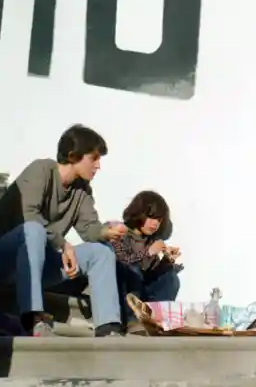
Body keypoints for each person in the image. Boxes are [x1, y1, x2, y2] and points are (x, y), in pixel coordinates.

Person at [0, 124, 126, 337]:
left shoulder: (82, 189)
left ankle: (108, 328)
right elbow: (28, 214)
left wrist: (106, 231)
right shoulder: (41, 170)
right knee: (33, 230)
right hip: (7, 259)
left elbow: (89, 229)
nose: (98, 166)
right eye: (94, 158)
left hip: (38, 265)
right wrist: (63, 244)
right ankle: (33, 317)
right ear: (73, 155)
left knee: (101, 252)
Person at [111, 190, 180, 329]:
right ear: (139, 213)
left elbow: (151, 275)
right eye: (151, 217)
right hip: (124, 295)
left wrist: (166, 261)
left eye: (159, 220)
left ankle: (158, 320)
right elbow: (122, 262)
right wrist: (148, 252)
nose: (155, 224)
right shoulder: (121, 233)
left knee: (170, 277)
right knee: (132, 270)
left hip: (143, 294)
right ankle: (132, 321)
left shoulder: (150, 240)